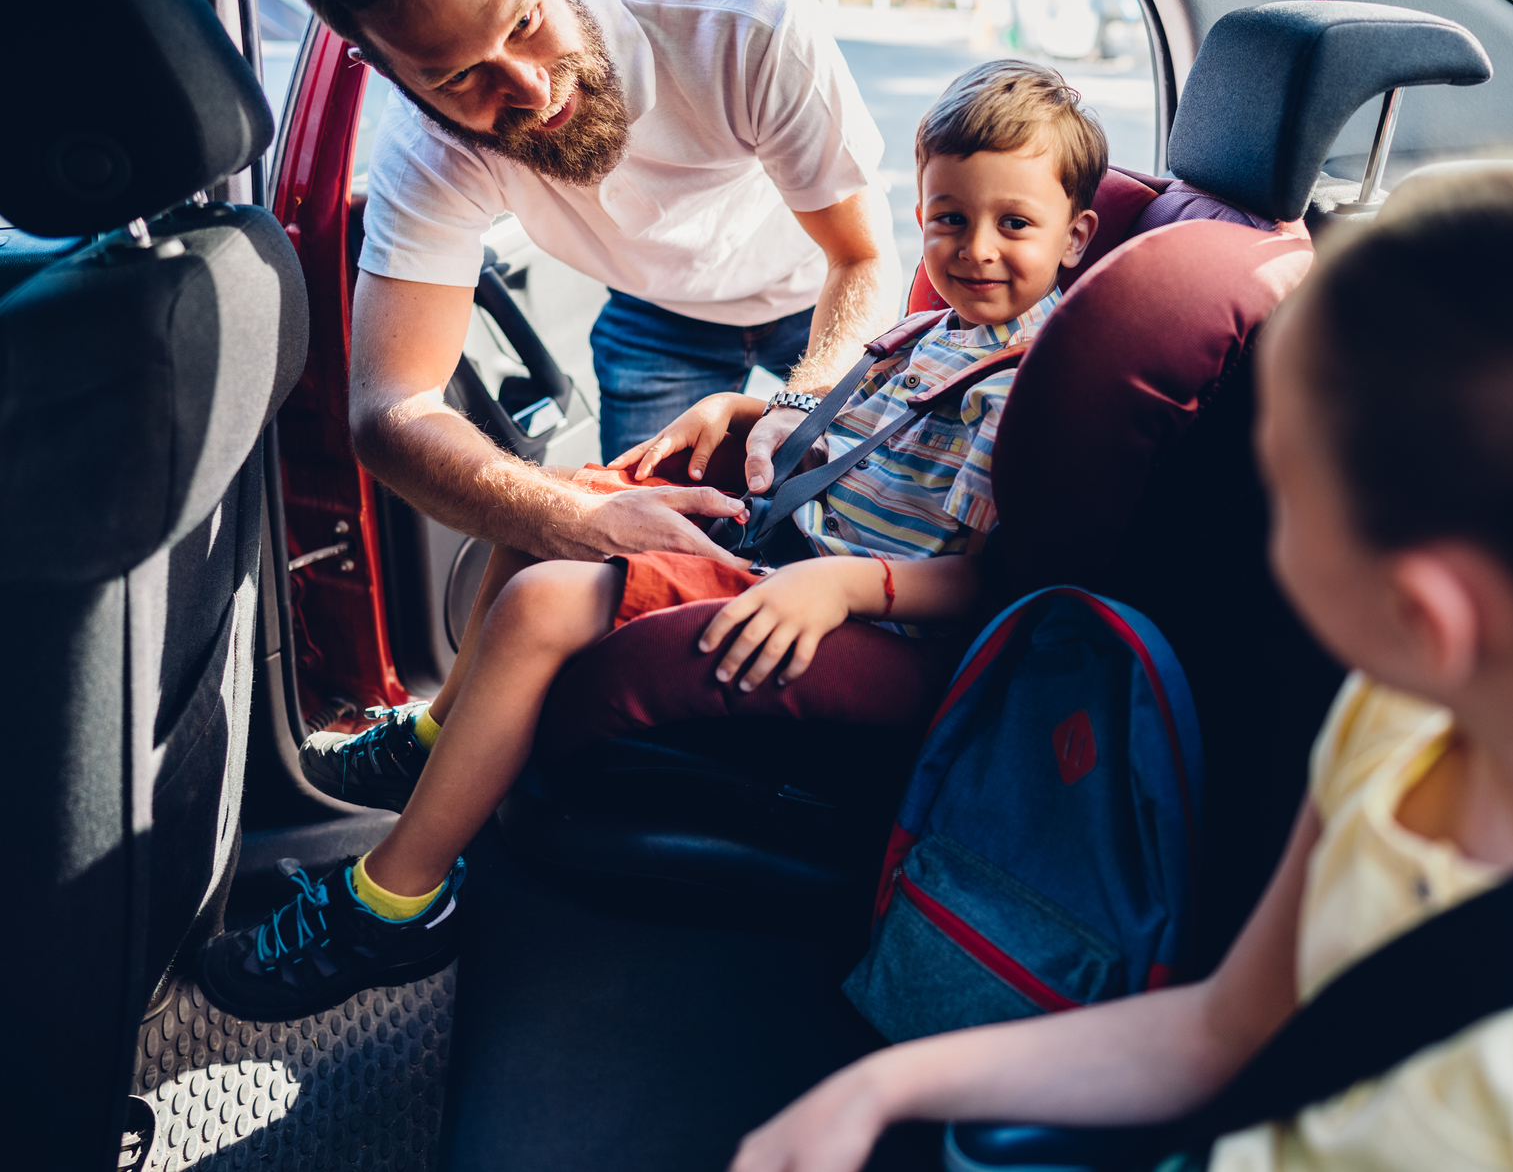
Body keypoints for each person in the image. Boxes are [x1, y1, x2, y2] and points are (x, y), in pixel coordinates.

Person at [724, 156, 1513, 1172]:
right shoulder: (1404, 719)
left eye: (1274, 486)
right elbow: (1233, 1027)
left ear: (1423, 608)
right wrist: (881, 1085)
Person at [195, 61, 1106, 1024]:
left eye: (1015, 225)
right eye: (947, 219)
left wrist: (847, 589)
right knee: (566, 502)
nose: (975, 250)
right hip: (803, 543)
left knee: (546, 596)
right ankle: (434, 739)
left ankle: (396, 904)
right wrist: (747, 406)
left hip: (875, 620)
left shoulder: (1031, 386)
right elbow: (867, 442)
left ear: (1077, 236)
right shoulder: (938, 333)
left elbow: (998, 583)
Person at [281, 0, 901, 565]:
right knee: (650, 557)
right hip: (659, 319)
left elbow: (860, 254)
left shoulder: (743, 21)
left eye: (523, 23)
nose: (532, 90)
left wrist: (806, 404)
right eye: (457, 80)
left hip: (819, 294)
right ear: (385, 74)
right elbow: (391, 411)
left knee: (873, 526)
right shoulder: (426, 149)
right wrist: (574, 519)